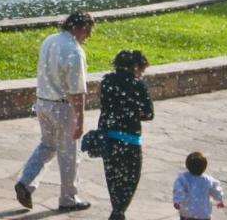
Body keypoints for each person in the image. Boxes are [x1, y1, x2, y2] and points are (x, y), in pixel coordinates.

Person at [14, 12, 95, 212]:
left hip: (42, 102)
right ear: (77, 27)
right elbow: (77, 92)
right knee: (69, 154)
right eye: (88, 30)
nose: (89, 36)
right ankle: (69, 198)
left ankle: (26, 181)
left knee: (47, 145)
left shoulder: (50, 40)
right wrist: (80, 121)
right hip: (62, 107)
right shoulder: (75, 52)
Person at [99, 49, 154, 220]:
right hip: (129, 138)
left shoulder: (106, 81)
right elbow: (149, 114)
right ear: (135, 66)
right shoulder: (138, 84)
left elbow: (105, 105)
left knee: (113, 178)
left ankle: (117, 208)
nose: (141, 73)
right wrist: (133, 112)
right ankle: (119, 211)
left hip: (109, 137)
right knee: (130, 178)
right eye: (141, 70)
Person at [173, 152, 226, 220]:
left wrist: (177, 201)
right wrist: (219, 200)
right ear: (205, 167)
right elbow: (216, 190)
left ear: (187, 165)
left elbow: (178, 190)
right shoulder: (209, 180)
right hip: (203, 213)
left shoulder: (183, 178)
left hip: (187, 212)